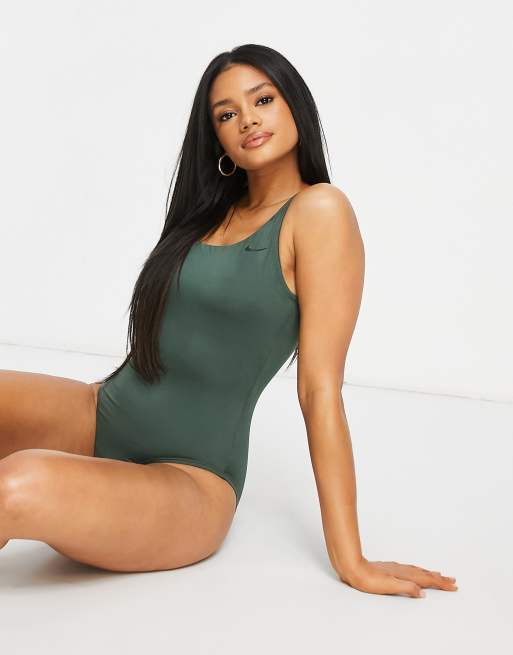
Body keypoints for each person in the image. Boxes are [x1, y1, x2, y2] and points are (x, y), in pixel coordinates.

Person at [0, 43, 457, 598]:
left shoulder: (319, 211)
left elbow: (319, 390)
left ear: (295, 104)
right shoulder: (209, 212)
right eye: (226, 113)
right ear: (215, 135)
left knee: (15, 485)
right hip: (101, 415)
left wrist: (351, 559)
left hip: (189, 478)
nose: (248, 120)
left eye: (263, 100)